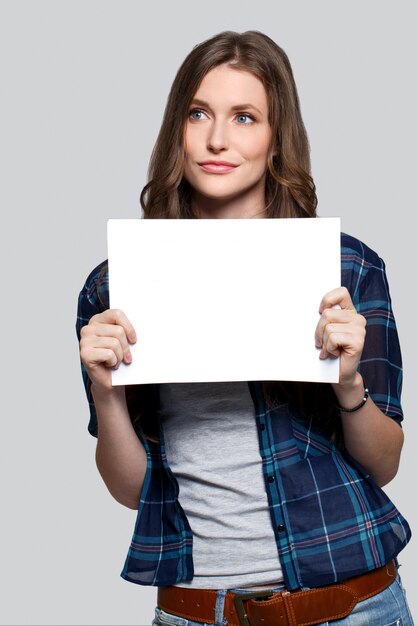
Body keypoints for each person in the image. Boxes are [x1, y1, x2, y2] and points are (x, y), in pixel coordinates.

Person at [76, 31, 414, 626]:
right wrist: (107, 393)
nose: (216, 139)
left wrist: (347, 385)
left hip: (354, 606)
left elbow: (385, 465)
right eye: (198, 113)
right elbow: (133, 491)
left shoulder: (346, 268)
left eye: (245, 117)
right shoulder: (116, 286)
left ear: (275, 139)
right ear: (176, 130)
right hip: (197, 611)